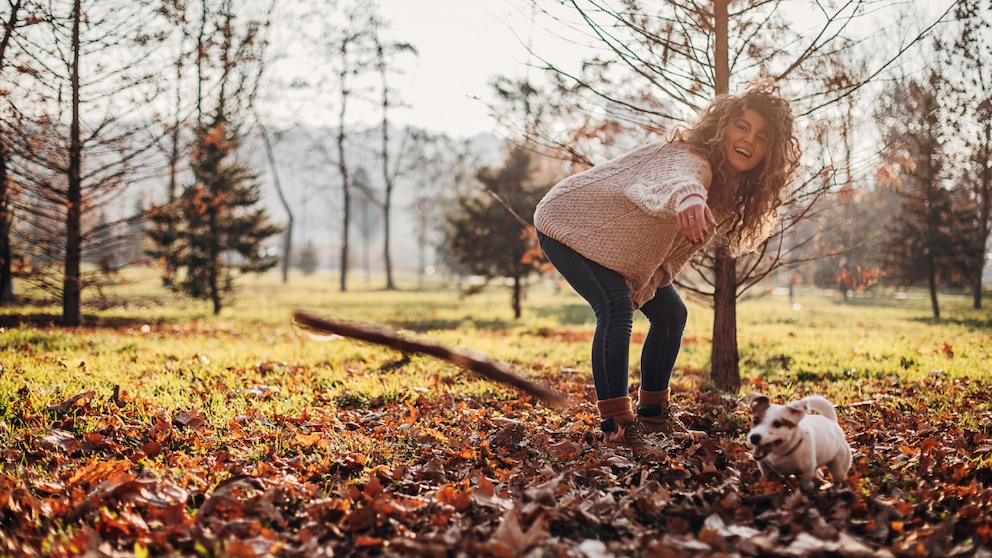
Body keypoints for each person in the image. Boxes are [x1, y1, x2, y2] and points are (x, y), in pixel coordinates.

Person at [533, 83, 801, 459]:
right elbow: (675, 180)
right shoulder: (692, 157)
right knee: (615, 308)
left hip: (612, 246)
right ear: (723, 127)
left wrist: (647, 283)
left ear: (769, 151)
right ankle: (618, 428)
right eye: (742, 126)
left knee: (672, 314)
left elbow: (669, 253)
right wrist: (690, 196)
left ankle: (653, 414)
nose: (749, 140)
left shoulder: (726, 190)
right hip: (568, 223)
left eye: (761, 136)